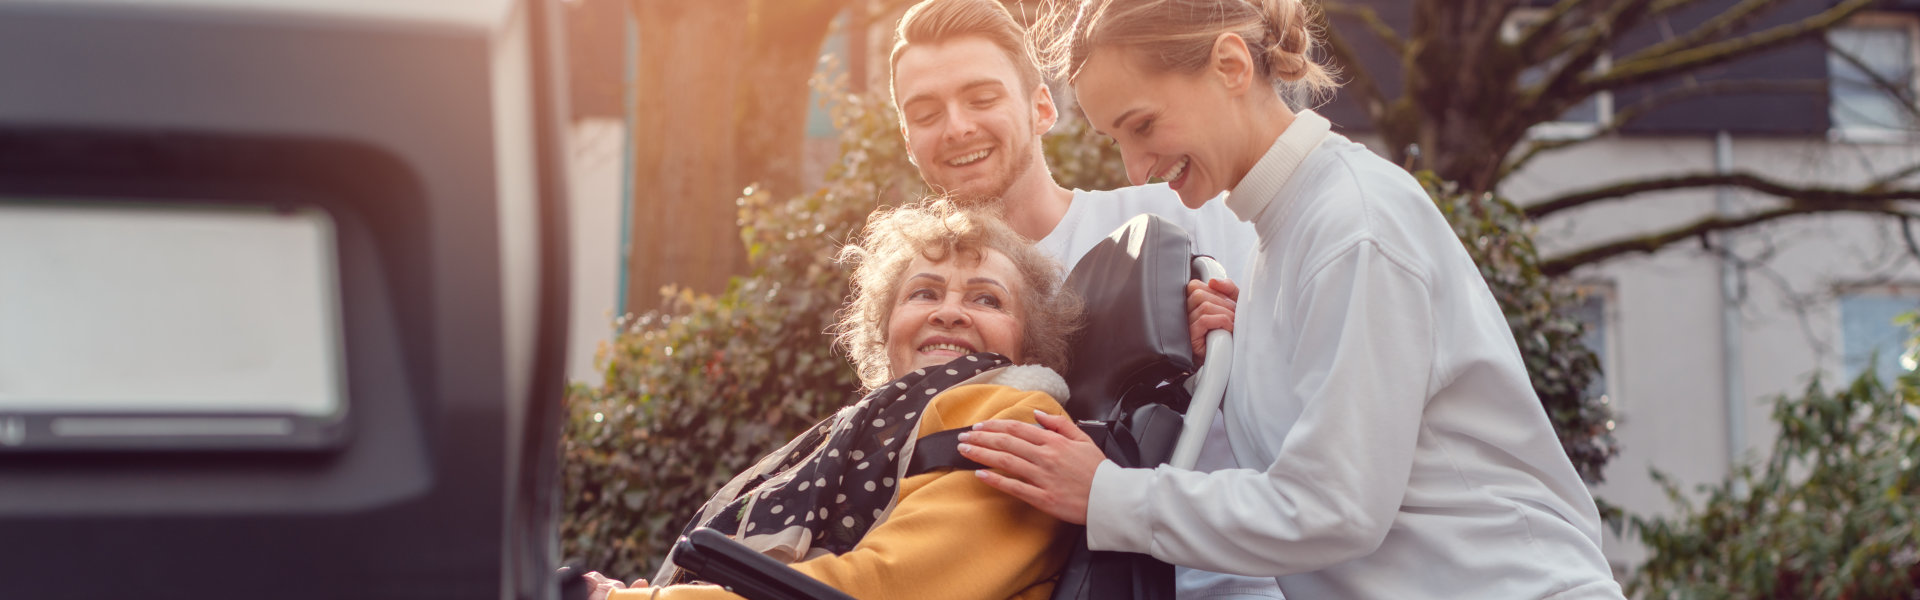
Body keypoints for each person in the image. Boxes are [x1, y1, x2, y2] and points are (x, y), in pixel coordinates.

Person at [957, 0, 1628, 598]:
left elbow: (1333, 507)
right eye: (1116, 140)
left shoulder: (1353, 225)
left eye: (1142, 125)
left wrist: (1105, 493)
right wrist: (1242, 354)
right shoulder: (1286, 237)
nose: (1135, 169)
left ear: (1228, 65)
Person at [887, 3, 1280, 597]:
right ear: (909, 141)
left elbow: (1312, 397)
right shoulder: (924, 308)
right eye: (926, 112)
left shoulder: (1179, 212)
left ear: (1042, 108)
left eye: (981, 98)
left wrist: (1231, 339)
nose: (957, 127)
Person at [586, 200, 1084, 600]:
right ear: (888, 330)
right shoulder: (863, 432)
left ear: (1030, 341)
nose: (949, 313)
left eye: (986, 299)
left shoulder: (1019, 417)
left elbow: (879, 588)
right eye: (924, 294)